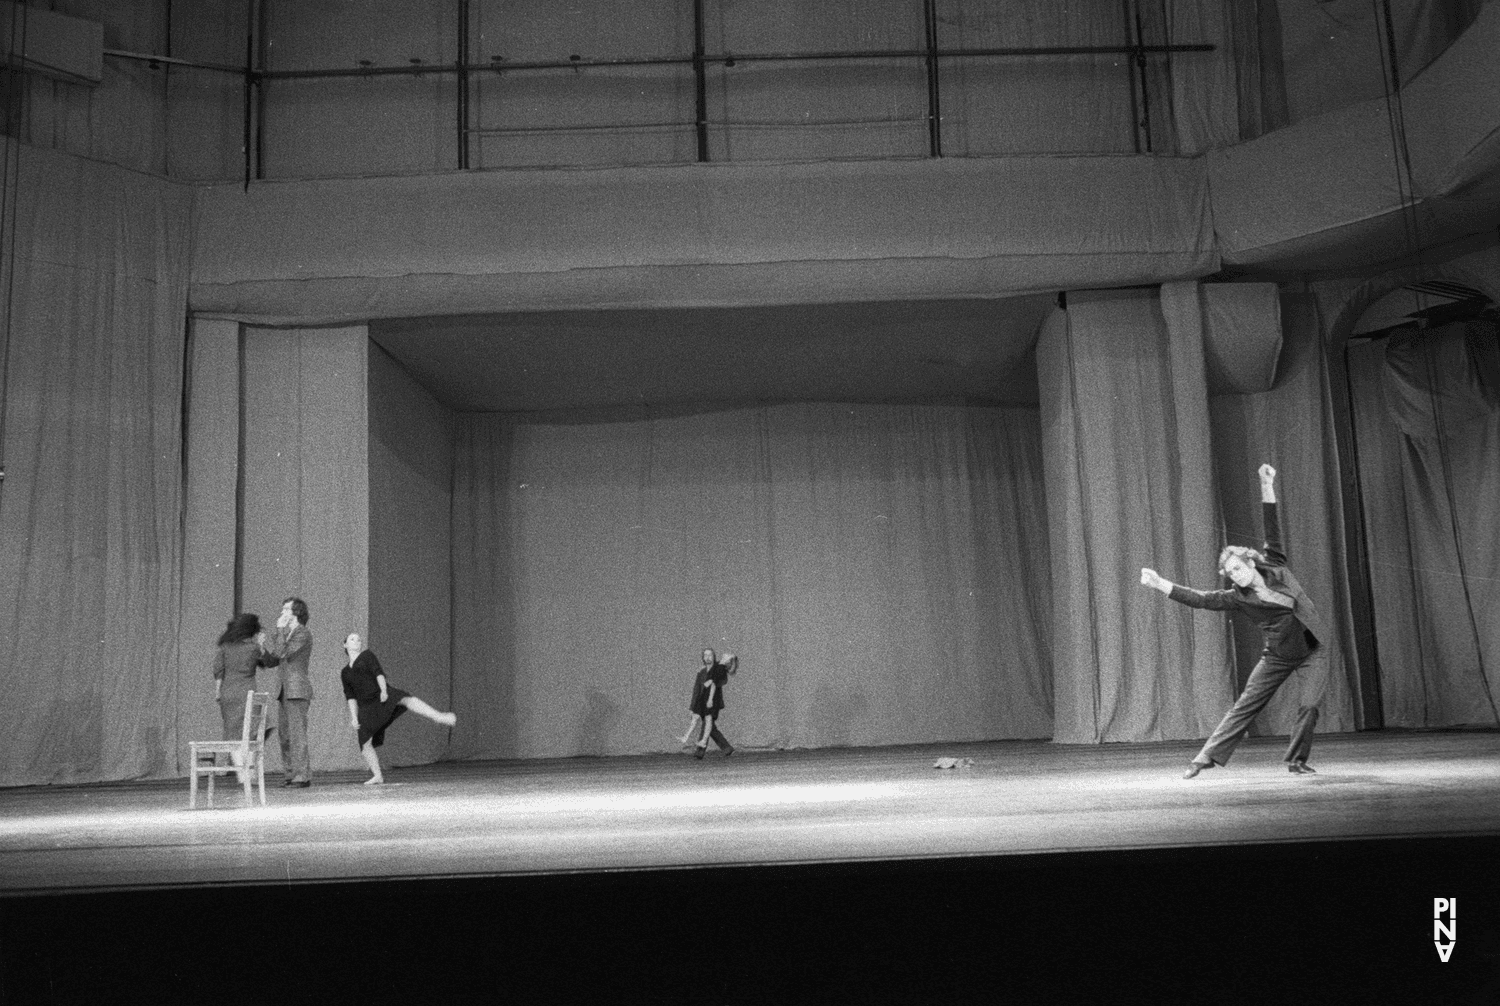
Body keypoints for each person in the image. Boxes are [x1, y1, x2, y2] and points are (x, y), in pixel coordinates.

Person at [1140, 463, 1328, 779]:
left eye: (1238, 568)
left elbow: (1271, 525)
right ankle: (1203, 759)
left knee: (1309, 705)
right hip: (1278, 656)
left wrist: (1266, 483)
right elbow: (1200, 599)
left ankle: (1296, 760)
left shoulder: (1276, 566)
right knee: (1245, 705)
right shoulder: (1236, 598)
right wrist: (1160, 584)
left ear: (1250, 561)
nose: (1235, 575)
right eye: (1230, 574)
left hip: (1313, 649)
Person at [340, 632, 457, 785]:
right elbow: (350, 696)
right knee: (364, 743)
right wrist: (354, 717)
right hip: (366, 707)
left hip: (380, 695)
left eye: (359, 639)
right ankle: (378, 776)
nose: (357, 641)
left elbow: (378, 673)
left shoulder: (367, 656)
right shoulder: (345, 672)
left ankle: (439, 716)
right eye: (352, 639)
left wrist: (383, 690)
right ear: (345, 645)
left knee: (405, 699)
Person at [211, 613, 279, 782]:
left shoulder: (225, 647)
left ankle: (243, 774)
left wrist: (218, 692)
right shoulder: (253, 647)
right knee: (255, 729)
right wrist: (261, 646)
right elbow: (270, 662)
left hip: (228, 693)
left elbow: (218, 670)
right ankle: (248, 771)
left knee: (233, 732)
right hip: (247, 692)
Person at [264, 597, 314, 788]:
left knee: (297, 734)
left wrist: (279, 630)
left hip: (296, 689)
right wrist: (261, 649)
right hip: (284, 690)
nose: (283, 612)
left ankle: (302, 776)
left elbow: (285, 653)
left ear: (297, 613)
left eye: (287, 609)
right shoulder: (287, 634)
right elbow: (274, 659)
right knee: (285, 735)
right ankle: (290, 774)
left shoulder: (302, 633)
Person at [693, 651, 738, 760]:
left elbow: (713, 683)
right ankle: (727, 748)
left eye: (728, 655)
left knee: (707, 724)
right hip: (707, 699)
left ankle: (700, 751)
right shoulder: (718, 666)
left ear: (727, 661)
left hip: (712, 701)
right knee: (711, 727)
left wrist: (709, 699)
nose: (725, 654)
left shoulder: (721, 669)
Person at [678, 648, 717, 746]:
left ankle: (703, 742)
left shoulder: (716, 670)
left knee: (708, 719)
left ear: (714, 657)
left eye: (710, 655)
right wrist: (692, 706)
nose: (708, 658)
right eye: (706, 655)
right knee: (695, 717)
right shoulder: (701, 672)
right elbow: (697, 689)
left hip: (711, 700)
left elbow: (714, 685)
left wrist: (710, 699)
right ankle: (686, 737)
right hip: (701, 699)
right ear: (703, 658)